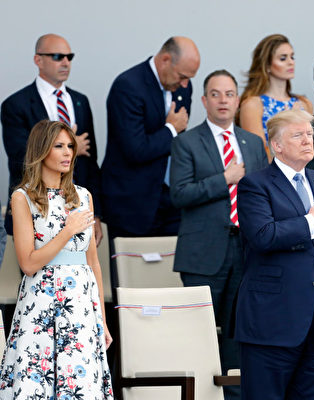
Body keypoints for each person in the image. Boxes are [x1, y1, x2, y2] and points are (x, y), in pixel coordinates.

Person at [235, 109, 314, 400]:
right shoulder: (255, 184)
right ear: (277, 145)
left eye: (309, 134)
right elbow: (262, 236)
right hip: (271, 322)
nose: (307, 140)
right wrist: (310, 222)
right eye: (298, 135)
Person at [170, 70, 268, 399]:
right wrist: (224, 179)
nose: (223, 100)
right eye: (215, 94)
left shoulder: (253, 143)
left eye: (229, 94)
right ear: (204, 100)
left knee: (238, 333)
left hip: (246, 250)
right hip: (203, 254)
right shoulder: (186, 142)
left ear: (238, 100)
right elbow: (179, 194)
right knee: (199, 332)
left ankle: (235, 395)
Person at [0, 120, 113, 398]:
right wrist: (67, 231)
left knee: (81, 386)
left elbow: (93, 263)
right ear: (41, 150)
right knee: (37, 385)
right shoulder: (22, 197)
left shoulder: (84, 196)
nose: (67, 153)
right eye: (59, 146)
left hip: (81, 304)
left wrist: (102, 319)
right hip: (41, 303)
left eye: (70, 146)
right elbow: (28, 264)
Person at [2, 33, 102, 244]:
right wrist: (70, 147)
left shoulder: (80, 101)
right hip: (36, 210)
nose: (65, 62)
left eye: (69, 57)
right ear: (38, 60)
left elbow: (90, 163)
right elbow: (20, 158)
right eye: (57, 56)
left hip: (77, 210)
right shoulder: (16, 104)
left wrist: (96, 214)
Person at [101, 36, 200, 238]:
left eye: (189, 78)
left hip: (172, 202)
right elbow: (135, 150)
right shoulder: (128, 86)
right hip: (132, 205)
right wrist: (171, 129)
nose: (185, 84)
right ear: (165, 60)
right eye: (182, 76)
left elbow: (178, 142)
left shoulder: (183, 87)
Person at [238, 34, 313, 159]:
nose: (291, 62)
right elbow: (259, 155)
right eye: (283, 58)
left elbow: (311, 151)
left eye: (292, 57)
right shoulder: (253, 105)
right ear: (267, 65)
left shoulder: (304, 104)